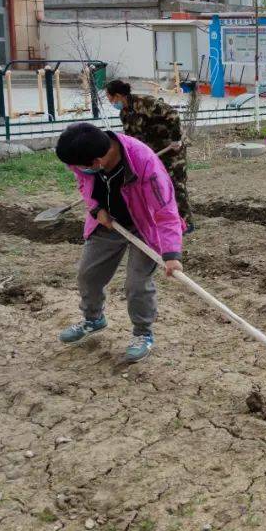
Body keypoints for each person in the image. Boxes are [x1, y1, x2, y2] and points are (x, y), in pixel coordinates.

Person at [54, 123, 185, 363]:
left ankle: (142, 333)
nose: (77, 170)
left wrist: (171, 254)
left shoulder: (144, 163)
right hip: (109, 222)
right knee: (88, 275)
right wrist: (96, 209)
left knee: (136, 284)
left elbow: (165, 212)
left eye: (81, 167)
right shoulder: (83, 158)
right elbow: (83, 184)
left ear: (96, 162)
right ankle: (93, 319)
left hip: (145, 227)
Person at [105, 79, 193, 232]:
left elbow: (173, 114)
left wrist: (176, 138)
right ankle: (164, 220)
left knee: (175, 184)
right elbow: (132, 138)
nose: (110, 101)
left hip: (171, 149)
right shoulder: (125, 113)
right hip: (152, 153)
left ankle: (185, 223)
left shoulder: (146, 103)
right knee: (156, 185)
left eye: (110, 98)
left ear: (118, 95)